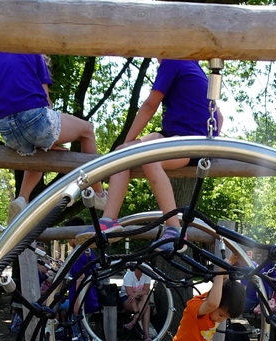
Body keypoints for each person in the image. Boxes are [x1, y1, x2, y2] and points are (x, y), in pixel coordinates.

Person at [0, 52, 105, 213]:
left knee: (38, 151)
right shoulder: (32, 52)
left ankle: (22, 198)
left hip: (7, 130)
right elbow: (46, 102)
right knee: (87, 130)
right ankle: (99, 194)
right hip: (35, 118)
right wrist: (50, 137)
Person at [96, 59, 223, 249]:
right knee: (121, 154)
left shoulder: (173, 59)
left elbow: (149, 105)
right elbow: (219, 117)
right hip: (173, 136)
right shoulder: (189, 64)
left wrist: (209, 147)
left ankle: (174, 228)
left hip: (191, 142)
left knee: (150, 160)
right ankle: (108, 222)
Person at [122, 263, 153, 341]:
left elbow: (146, 291)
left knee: (146, 299)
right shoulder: (128, 275)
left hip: (140, 299)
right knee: (147, 308)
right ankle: (146, 335)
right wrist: (137, 313)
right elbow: (130, 295)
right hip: (127, 299)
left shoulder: (146, 276)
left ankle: (134, 323)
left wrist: (137, 293)